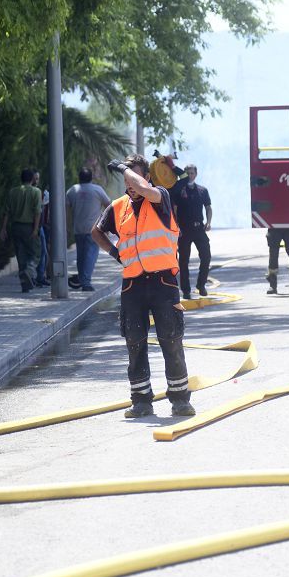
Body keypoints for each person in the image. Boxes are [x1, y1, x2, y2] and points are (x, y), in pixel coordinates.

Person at [91, 153, 195, 419]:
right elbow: (96, 232)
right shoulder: (118, 207)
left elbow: (143, 188)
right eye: (126, 179)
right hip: (133, 285)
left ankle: (180, 400)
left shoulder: (160, 197)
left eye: (134, 177)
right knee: (134, 343)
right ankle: (140, 401)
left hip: (163, 282)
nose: (130, 184)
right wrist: (116, 253)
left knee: (171, 340)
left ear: (146, 177)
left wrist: (124, 169)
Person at [65, 167, 111, 292]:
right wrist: (107, 224)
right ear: (91, 178)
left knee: (81, 256)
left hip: (78, 229)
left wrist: (67, 227)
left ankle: (82, 279)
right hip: (94, 230)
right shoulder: (97, 189)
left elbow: (66, 210)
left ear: (79, 178)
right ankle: (86, 283)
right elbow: (109, 205)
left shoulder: (72, 190)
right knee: (90, 256)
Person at [170, 164, 212, 299]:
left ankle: (201, 285)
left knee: (206, 256)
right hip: (184, 229)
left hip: (199, 228)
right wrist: (176, 227)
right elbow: (174, 210)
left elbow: (208, 207)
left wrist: (208, 222)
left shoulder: (202, 190)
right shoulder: (179, 190)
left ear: (196, 174)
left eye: (192, 173)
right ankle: (186, 290)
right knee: (183, 261)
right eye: (187, 173)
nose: (190, 176)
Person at [0, 168, 42, 293]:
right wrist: (35, 229)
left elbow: (6, 212)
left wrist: (3, 228)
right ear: (32, 179)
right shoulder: (36, 192)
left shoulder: (13, 192)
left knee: (21, 255)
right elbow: (37, 212)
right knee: (36, 253)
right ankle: (29, 271)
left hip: (15, 227)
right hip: (29, 227)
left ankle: (25, 284)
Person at [36, 187, 51, 287]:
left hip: (42, 226)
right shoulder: (39, 193)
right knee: (43, 252)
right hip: (39, 226)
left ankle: (41, 276)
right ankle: (39, 277)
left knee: (44, 252)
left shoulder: (45, 195)